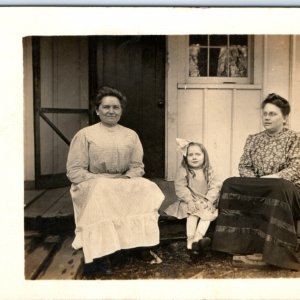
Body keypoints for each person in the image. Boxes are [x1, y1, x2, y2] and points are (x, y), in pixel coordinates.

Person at [66, 86, 165, 275]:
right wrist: (100, 179)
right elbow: (75, 170)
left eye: (116, 107)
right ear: (97, 111)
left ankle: (140, 245)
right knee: (102, 189)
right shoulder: (85, 135)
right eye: (106, 107)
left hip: (122, 181)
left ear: (121, 111)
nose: (111, 111)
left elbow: (137, 166)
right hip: (93, 183)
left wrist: (127, 178)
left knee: (147, 187)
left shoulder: (130, 135)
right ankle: (102, 253)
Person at [212, 93, 300, 270]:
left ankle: (275, 252)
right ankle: (237, 246)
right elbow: (244, 165)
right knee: (230, 183)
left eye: (272, 114)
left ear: (285, 118)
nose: (267, 117)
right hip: (259, 186)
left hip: (286, 190)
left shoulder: (295, 139)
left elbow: (296, 168)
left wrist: (270, 179)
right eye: (265, 113)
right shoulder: (253, 139)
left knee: (278, 187)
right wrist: (258, 182)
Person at [164, 138, 221, 254]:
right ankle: (190, 242)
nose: (194, 157)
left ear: (204, 156)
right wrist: (189, 201)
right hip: (189, 201)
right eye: (190, 155)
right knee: (192, 215)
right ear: (185, 157)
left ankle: (197, 240)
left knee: (207, 215)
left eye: (198, 154)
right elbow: (181, 187)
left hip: (205, 201)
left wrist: (209, 200)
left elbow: (215, 186)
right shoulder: (183, 171)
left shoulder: (209, 171)